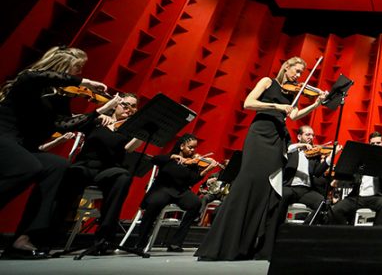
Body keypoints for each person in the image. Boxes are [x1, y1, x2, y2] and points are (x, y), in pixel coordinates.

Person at [196, 56, 325, 261]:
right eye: (297, 71)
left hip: (278, 139)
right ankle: (222, 244)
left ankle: (249, 246)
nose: (299, 76)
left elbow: (293, 115)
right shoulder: (268, 82)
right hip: (260, 135)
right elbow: (249, 103)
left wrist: (315, 104)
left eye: (301, 73)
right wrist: (277, 107)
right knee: (247, 183)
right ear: (286, 67)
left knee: (267, 189)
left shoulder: (292, 92)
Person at [0, 46, 110, 259]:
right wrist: (84, 82)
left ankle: (24, 238)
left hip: (23, 146)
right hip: (3, 135)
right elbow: (35, 75)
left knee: (58, 166)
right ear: (63, 68)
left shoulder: (59, 96)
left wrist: (98, 112)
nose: (77, 74)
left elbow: (63, 123)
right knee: (29, 166)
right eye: (77, 69)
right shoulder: (29, 81)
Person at [54, 91, 142, 253]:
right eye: (125, 104)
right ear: (115, 104)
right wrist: (99, 115)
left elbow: (129, 149)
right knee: (71, 175)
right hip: (85, 165)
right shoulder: (97, 121)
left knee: (123, 177)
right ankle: (50, 235)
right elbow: (77, 124)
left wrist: (143, 132)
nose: (128, 109)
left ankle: (104, 238)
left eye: (133, 107)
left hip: (108, 169)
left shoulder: (128, 130)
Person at [126, 133, 219, 253]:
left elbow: (192, 180)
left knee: (196, 203)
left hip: (181, 191)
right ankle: (140, 242)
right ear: (181, 146)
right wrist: (172, 157)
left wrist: (207, 169)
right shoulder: (169, 158)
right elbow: (154, 159)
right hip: (163, 188)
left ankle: (175, 243)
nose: (193, 150)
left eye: (194, 148)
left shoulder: (193, 163)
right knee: (155, 203)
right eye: (190, 147)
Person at [275, 124, 335, 226]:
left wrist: (330, 158)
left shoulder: (313, 155)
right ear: (299, 137)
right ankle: (277, 228)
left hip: (306, 191)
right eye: (308, 134)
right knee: (280, 198)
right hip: (289, 187)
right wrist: (299, 146)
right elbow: (288, 149)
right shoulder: (291, 150)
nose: (311, 137)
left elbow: (317, 173)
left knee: (323, 203)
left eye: (312, 135)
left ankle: (305, 228)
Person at [329, 132, 382, 226]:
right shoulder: (360, 159)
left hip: (376, 197)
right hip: (356, 197)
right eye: (372, 144)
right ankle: (347, 233)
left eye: (378, 143)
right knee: (336, 210)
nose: (375, 146)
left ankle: (376, 234)